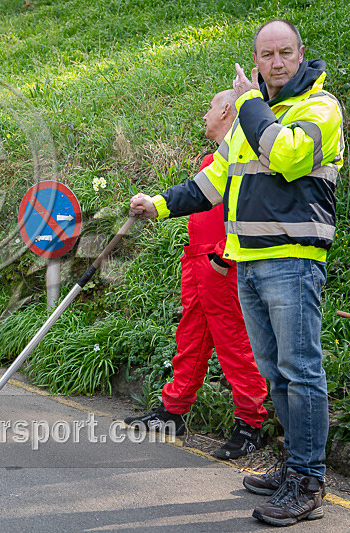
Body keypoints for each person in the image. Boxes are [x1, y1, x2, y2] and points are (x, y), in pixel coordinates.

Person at [129, 19, 343, 526]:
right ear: (256, 60)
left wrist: (248, 103)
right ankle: (293, 466)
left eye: (284, 52)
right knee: (276, 372)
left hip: (292, 262)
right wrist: (158, 205)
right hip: (248, 263)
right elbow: (211, 183)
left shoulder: (319, 107)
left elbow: (288, 157)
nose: (276, 62)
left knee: (301, 371)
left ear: (300, 53)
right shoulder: (255, 116)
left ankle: (307, 482)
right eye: (267, 54)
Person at [124, 89, 268, 461]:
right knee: (190, 339)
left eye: (209, 107)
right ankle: (172, 412)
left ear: (226, 110)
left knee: (235, 345)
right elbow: (194, 196)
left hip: (221, 264)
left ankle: (250, 425)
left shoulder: (245, 158)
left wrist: (222, 258)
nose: (204, 114)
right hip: (198, 263)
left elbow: (249, 211)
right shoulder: (215, 161)